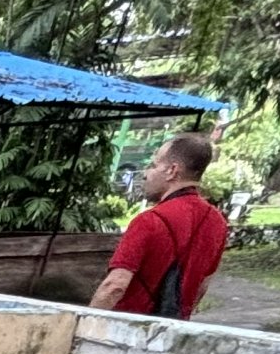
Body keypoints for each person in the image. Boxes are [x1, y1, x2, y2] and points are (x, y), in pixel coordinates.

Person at [90, 133, 228, 317]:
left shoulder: (149, 220)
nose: (146, 173)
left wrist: (84, 322)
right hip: (170, 330)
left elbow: (115, 286)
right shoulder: (217, 223)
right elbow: (202, 287)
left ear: (172, 170)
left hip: (126, 327)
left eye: (153, 165)